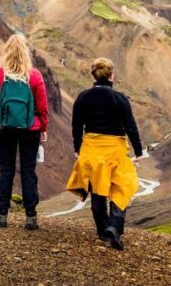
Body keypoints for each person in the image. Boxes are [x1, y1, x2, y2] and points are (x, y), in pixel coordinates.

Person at [66, 58, 143, 251]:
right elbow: (130, 126)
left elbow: (77, 126)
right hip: (115, 150)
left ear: (94, 75)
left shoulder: (83, 97)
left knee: (97, 191)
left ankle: (102, 232)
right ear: (112, 76)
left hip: (91, 149)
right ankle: (114, 226)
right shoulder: (119, 98)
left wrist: (77, 148)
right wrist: (139, 150)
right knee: (123, 186)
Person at [0, 34, 49, 230]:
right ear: (26, 52)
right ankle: (30, 217)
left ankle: (2, 215)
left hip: (4, 128)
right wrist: (43, 128)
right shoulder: (34, 76)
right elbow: (42, 106)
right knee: (28, 171)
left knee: (6, 170)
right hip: (30, 129)